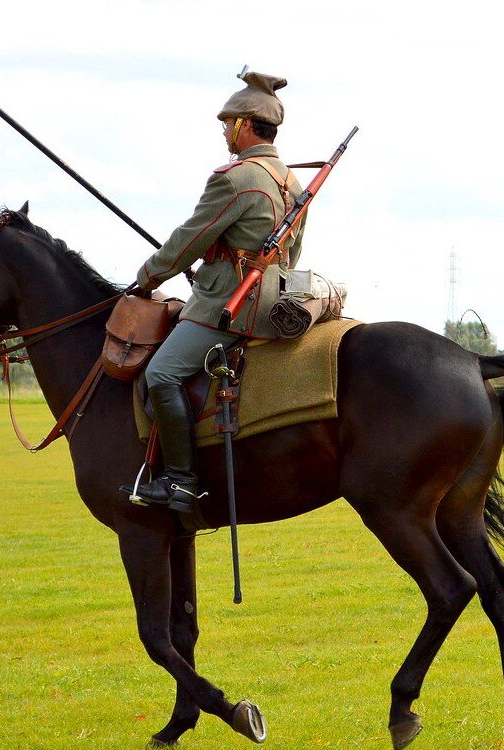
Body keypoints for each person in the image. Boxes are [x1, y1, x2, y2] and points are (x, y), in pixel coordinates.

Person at [121, 70, 307, 514]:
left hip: (230, 309)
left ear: (244, 125)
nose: (224, 131)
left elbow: (190, 239)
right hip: (277, 303)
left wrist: (148, 277)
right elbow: (292, 254)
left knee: (161, 373)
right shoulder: (292, 184)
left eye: (227, 123)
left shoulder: (235, 178)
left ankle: (181, 482)